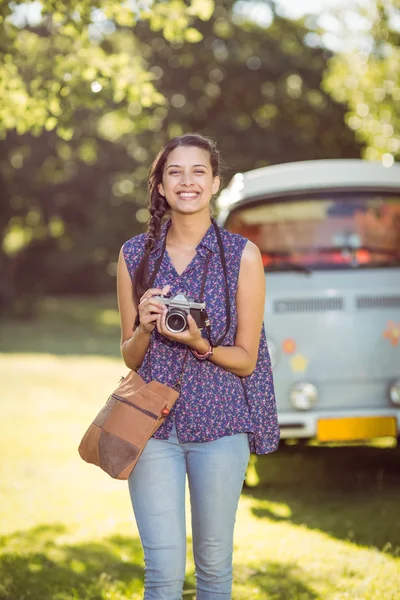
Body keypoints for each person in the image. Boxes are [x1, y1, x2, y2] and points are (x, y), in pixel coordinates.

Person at [117, 133, 279, 600]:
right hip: (151, 428)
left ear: (215, 184)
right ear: (161, 187)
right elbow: (128, 355)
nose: (187, 182)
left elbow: (246, 361)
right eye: (175, 172)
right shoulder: (134, 255)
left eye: (198, 172)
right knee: (162, 572)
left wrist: (199, 343)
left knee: (213, 569)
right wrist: (145, 328)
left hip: (221, 428)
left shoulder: (241, 256)